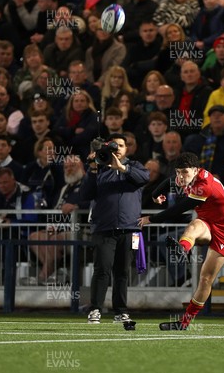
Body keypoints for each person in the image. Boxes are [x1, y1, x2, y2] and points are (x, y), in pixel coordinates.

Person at [138, 152, 224, 330]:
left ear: (195, 170)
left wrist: (150, 219)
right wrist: (156, 194)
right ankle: (182, 249)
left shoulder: (204, 186)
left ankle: (184, 323)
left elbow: (178, 209)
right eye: (178, 172)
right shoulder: (188, 176)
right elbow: (169, 182)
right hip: (207, 223)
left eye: (184, 172)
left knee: (206, 279)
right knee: (194, 225)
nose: (180, 176)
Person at [82, 133, 149, 324]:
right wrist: (92, 169)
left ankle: (121, 311)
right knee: (102, 269)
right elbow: (85, 194)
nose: (117, 149)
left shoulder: (135, 166)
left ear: (126, 149)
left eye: (121, 145)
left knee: (122, 272)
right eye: (114, 145)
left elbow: (144, 178)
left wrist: (123, 168)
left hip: (129, 229)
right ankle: (95, 309)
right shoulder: (100, 168)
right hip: (104, 228)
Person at [27, 155, 90, 283]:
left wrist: (77, 206)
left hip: (81, 230)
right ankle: (55, 272)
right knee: (34, 237)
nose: (69, 169)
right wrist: (51, 226)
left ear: (82, 167)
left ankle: (43, 277)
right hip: (59, 229)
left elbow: (98, 203)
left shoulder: (89, 183)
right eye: (66, 167)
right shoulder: (63, 189)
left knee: (55, 240)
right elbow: (55, 211)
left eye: (72, 166)